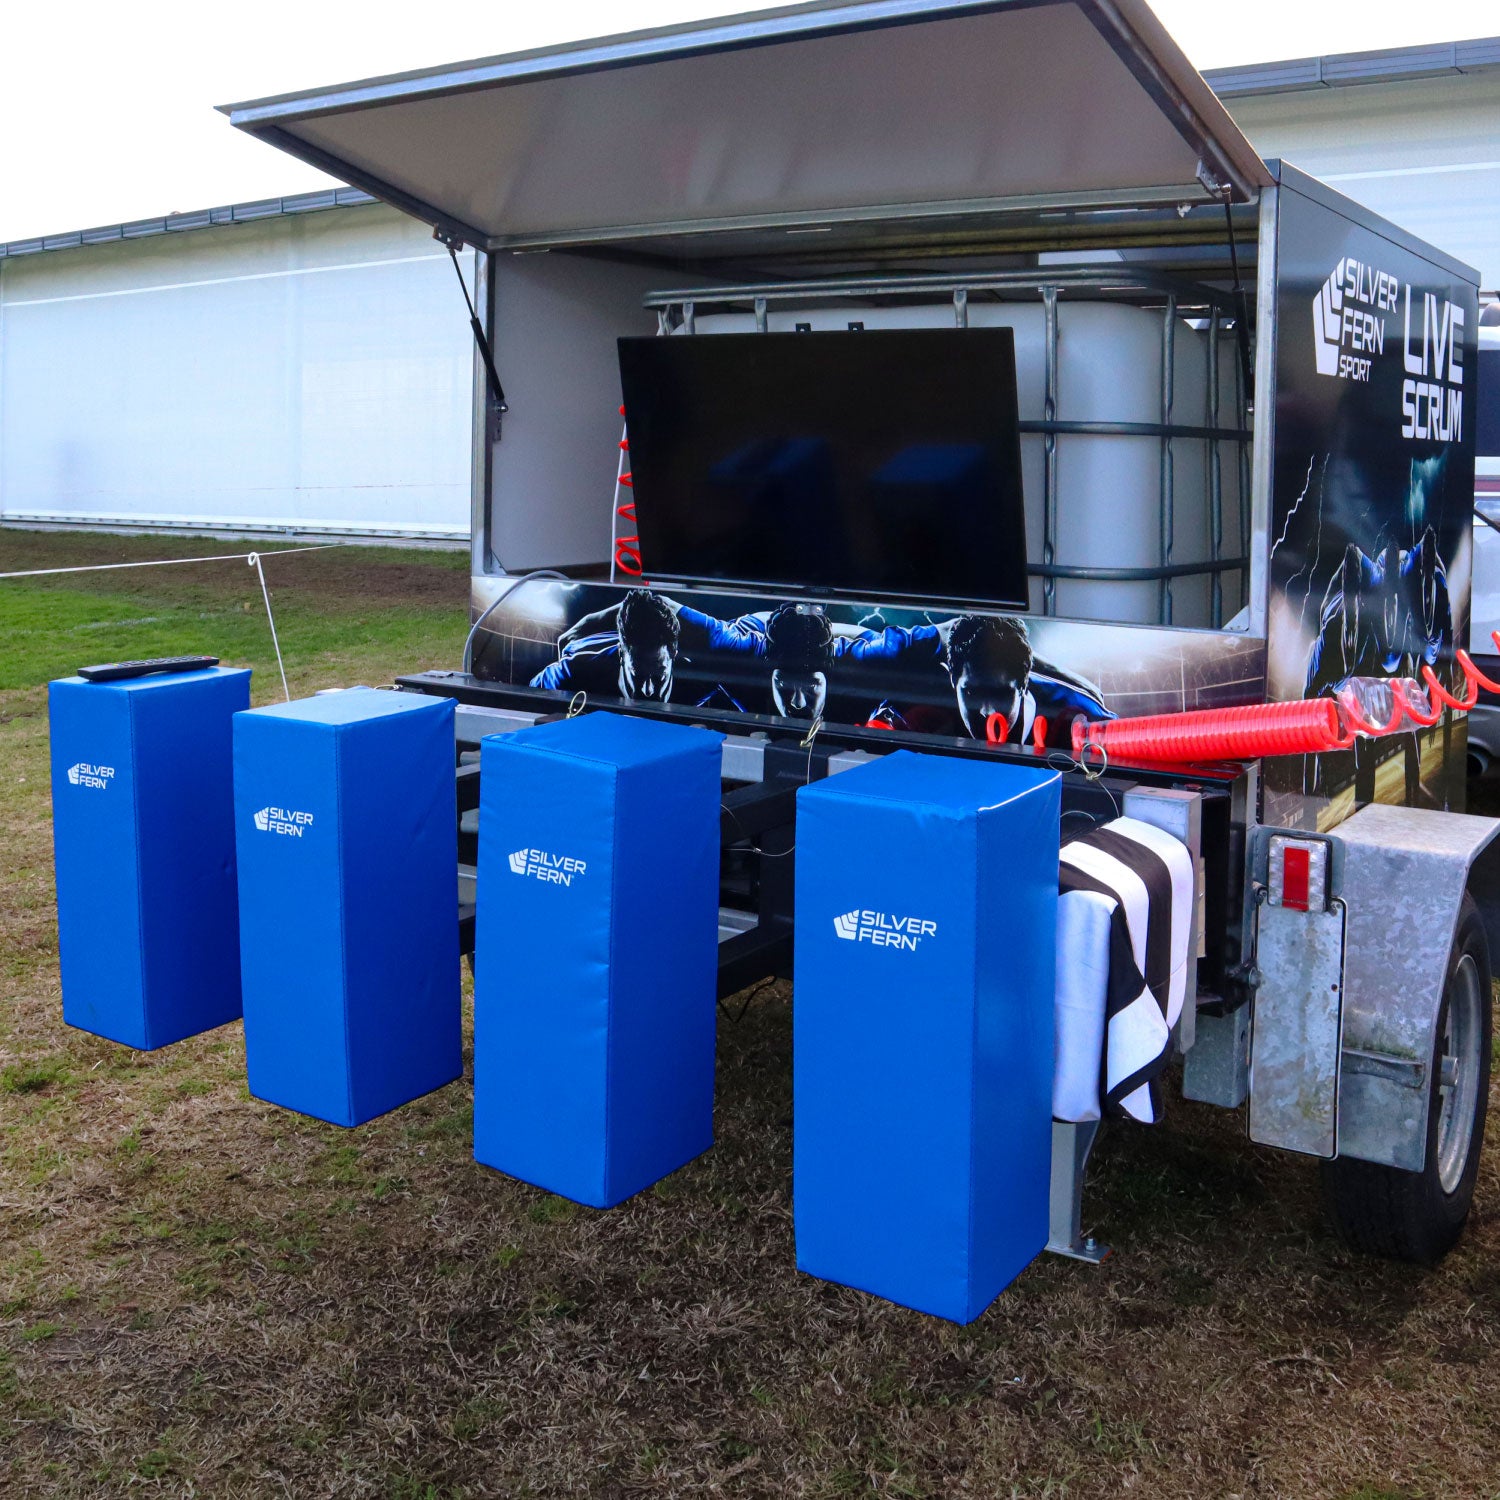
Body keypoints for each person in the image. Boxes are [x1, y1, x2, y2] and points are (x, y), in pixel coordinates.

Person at [530, 587, 679, 700]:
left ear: (674, 654)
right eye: (637, 674)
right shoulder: (575, 670)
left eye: (659, 673)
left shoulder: (696, 685)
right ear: (621, 654)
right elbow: (533, 690)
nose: (648, 691)